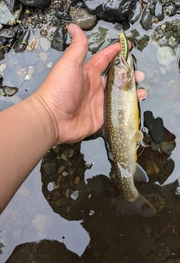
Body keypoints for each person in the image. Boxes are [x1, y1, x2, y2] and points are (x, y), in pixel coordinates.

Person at [0, 24, 146, 214]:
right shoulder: (122, 83)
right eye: (119, 65)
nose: (122, 64)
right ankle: (130, 195)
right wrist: (48, 113)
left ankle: (130, 191)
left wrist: (49, 113)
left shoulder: (121, 84)